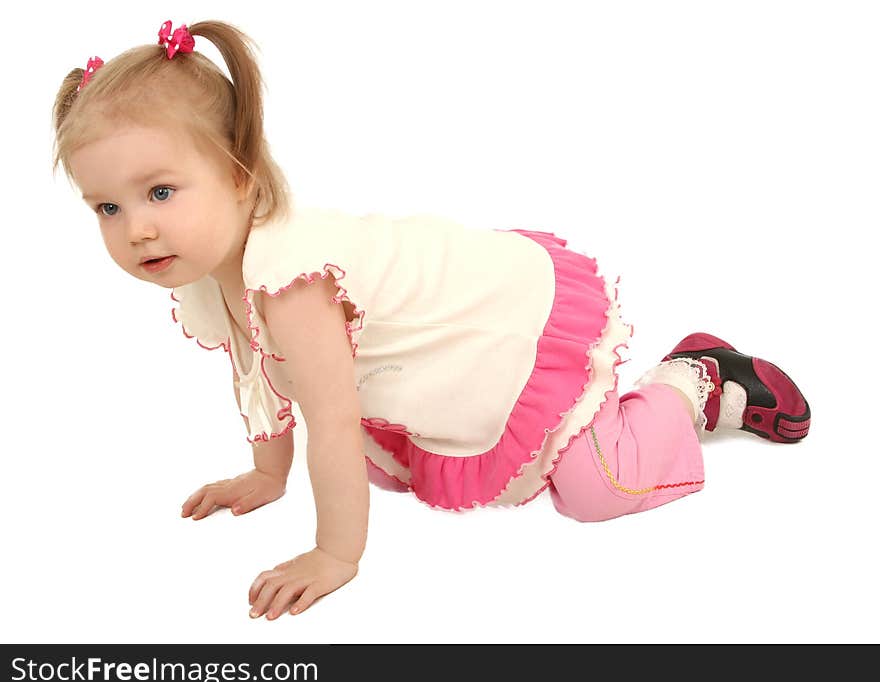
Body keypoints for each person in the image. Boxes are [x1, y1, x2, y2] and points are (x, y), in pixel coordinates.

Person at [52, 19, 811, 621]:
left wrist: (335, 556)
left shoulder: (289, 284)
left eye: (159, 193)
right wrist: (266, 473)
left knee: (596, 487)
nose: (136, 230)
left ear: (239, 173)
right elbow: (257, 366)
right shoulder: (214, 265)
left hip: (507, 326)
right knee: (390, 471)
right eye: (107, 208)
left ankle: (692, 380)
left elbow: (332, 419)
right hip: (436, 340)